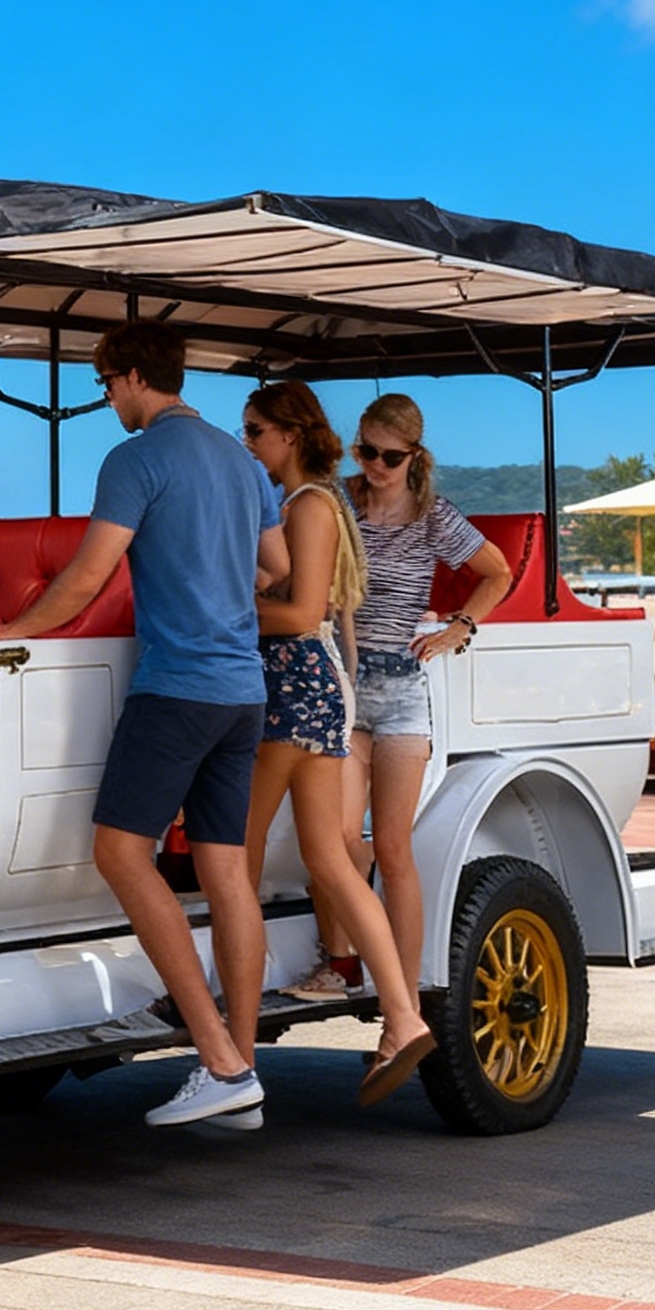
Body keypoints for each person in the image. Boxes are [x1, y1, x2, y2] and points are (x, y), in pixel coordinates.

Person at [0, 320, 289, 1129]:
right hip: (241, 690)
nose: (108, 400)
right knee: (227, 874)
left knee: (121, 852)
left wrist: (9, 633)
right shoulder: (240, 458)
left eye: (105, 386)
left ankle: (218, 1058)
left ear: (128, 377)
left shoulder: (137, 458)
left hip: (178, 688)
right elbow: (279, 568)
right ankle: (241, 1070)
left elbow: (87, 576)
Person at [238, 382, 436, 1104]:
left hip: (294, 687)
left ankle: (235, 1014)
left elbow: (302, 612)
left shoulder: (312, 505)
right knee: (331, 855)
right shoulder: (313, 504)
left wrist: (223, 610)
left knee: (241, 848)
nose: (247, 442)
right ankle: (403, 1016)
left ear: (289, 434)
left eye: (255, 430)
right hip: (320, 691)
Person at [307, 392, 511, 1000]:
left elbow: (496, 572)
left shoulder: (433, 515)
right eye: (364, 450)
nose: (373, 465)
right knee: (340, 839)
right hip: (344, 680)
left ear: (413, 456)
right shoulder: (338, 500)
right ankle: (339, 964)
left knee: (394, 848)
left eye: (387, 457)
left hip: (401, 688)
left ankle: (409, 986)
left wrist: (460, 628)